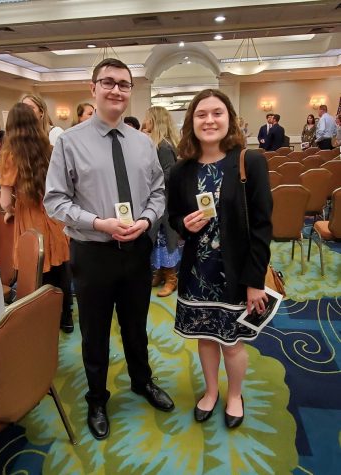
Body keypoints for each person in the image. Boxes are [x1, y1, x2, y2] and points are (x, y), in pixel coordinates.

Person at [44, 58, 175, 441]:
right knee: (95, 331)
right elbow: (55, 201)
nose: (116, 90)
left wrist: (147, 220)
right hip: (93, 252)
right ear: (93, 88)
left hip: (137, 251)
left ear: (130, 92)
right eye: (108, 82)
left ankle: (141, 381)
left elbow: (158, 192)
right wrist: (98, 222)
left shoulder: (143, 144)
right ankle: (97, 398)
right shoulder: (70, 142)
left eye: (123, 84)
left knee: (136, 324)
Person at [168, 89, 272, 429]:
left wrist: (255, 281)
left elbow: (262, 225)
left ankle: (234, 394)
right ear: (191, 122)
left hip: (236, 272)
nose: (209, 120)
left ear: (229, 119)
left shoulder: (248, 161)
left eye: (216, 113)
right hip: (197, 271)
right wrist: (183, 223)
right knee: (206, 338)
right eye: (201, 114)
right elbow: (173, 218)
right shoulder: (181, 170)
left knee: (232, 344)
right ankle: (211, 391)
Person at [0, 102, 73, 332]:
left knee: (37, 269)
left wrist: (9, 211)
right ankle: (66, 317)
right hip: (54, 216)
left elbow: (3, 201)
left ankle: (43, 319)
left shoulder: (9, 155)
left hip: (30, 218)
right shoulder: (49, 148)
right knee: (60, 266)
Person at [144, 106, 180, 297]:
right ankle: (160, 273)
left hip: (165, 202)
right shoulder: (156, 143)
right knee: (157, 239)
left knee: (166, 240)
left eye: (148, 119)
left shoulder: (163, 146)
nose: (145, 122)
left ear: (155, 121)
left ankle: (171, 278)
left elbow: (169, 174)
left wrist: (147, 180)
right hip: (159, 200)